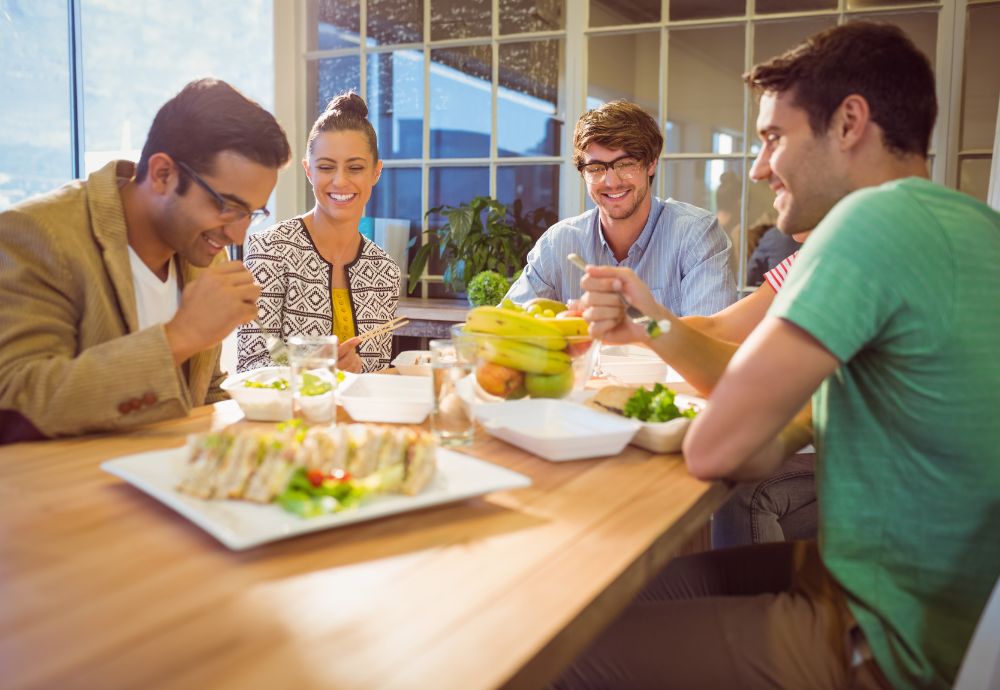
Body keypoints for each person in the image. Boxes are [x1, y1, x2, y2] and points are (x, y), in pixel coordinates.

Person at [557, 22, 1000, 690]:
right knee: (611, 597)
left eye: (772, 138)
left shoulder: (867, 223)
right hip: (933, 608)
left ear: (850, 122)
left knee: (559, 655)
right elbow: (764, 431)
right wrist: (654, 330)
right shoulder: (974, 225)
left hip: (882, 639)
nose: (760, 166)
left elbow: (714, 450)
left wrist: (667, 354)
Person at [0, 78, 291, 444]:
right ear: (162, 174)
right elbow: (14, 401)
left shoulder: (201, 254)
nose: (238, 236)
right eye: (226, 207)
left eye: (251, 213)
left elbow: (201, 393)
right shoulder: (38, 234)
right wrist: (180, 336)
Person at [504, 99, 735, 316]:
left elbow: (708, 339)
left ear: (651, 163)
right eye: (595, 168)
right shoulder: (559, 243)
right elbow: (506, 325)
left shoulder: (696, 235)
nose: (611, 182)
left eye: (625, 164)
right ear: (582, 172)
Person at [238, 92, 400, 374]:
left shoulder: (384, 272)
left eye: (356, 168)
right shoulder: (270, 250)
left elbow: (378, 374)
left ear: (376, 172)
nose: (340, 180)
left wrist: (358, 368)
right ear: (309, 170)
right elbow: (252, 366)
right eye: (326, 167)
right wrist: (312, 364)